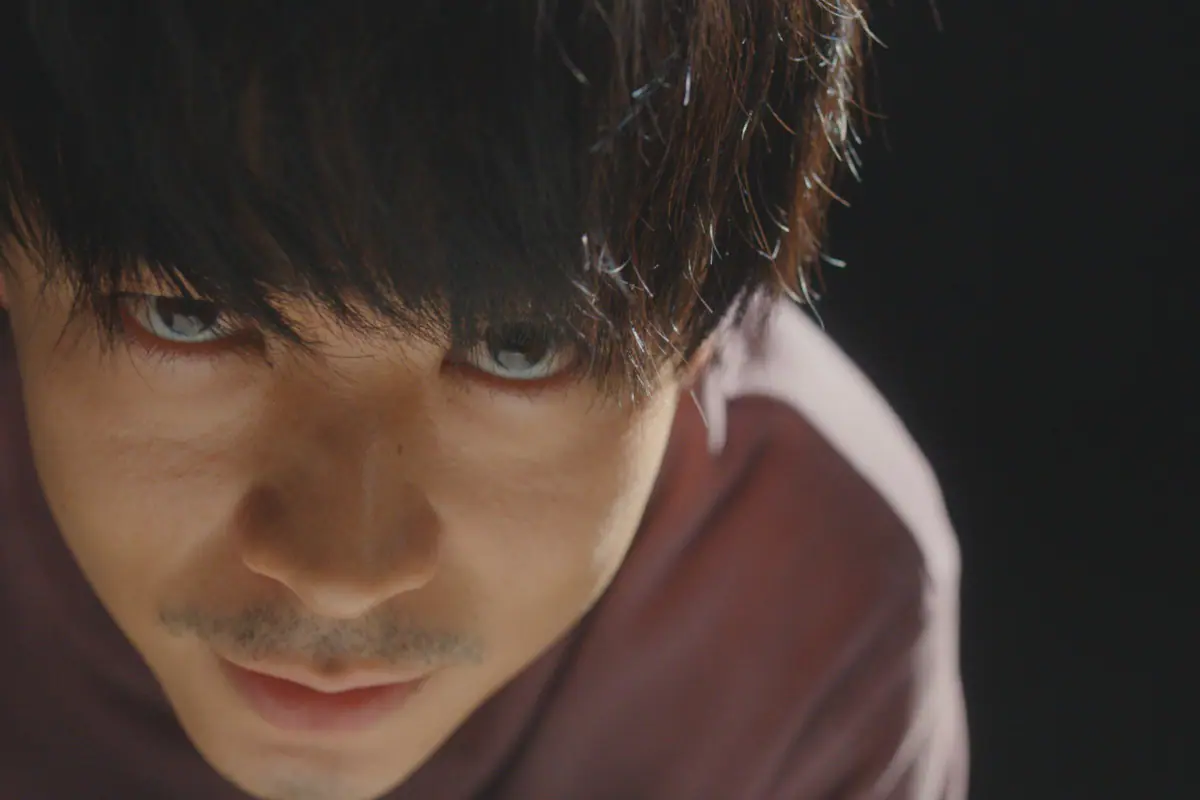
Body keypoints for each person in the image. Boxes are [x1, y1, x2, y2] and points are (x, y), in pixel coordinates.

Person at [0, 2, 968, 798]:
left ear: (703, 327)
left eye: (520, 347)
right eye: (186, 316)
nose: (340, 574)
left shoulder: (820, 608)